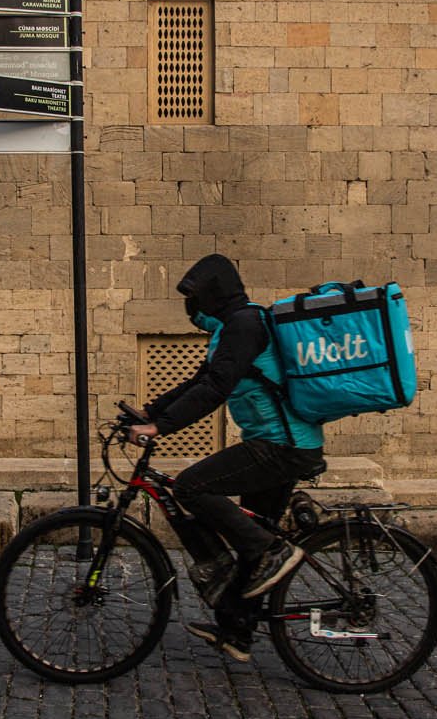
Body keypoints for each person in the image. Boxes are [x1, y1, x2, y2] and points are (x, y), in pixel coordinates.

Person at [128, 253, 325, 663]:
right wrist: (151, 410)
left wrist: (161, 429)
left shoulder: (244, 325)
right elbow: (199, 380)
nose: (192, 308)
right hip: (275, 442)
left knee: (190, 486)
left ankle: (274, 552)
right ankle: (238, 630)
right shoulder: (232, 328)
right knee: (251, 548)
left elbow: (215, 388)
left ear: (214, 294)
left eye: (197, 297)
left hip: (281, 446)